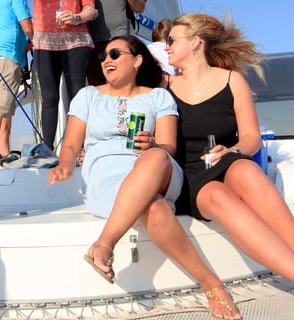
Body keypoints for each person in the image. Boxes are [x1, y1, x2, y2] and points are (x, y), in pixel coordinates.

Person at [163, 13, 294, 320]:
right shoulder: (164, 86)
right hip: (190, 176)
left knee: (246, 170)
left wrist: (232, 149)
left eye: (171, 40)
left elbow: (252, 137)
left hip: (225, 160)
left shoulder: (233, 81)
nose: (165, 47)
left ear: (195, 43)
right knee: (218, 196)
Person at [48, 34, 241, 320]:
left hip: (157, 167)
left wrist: (152, 145)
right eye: (102, 57)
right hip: (106, 177)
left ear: (137, 60)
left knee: (154, 157)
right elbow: (72, 144)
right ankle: (211, 284)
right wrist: (65, 165)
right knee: (154, 207)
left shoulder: (158, 96)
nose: (106, 61)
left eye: (115, 54)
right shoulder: (87, 96)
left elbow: (169, 146)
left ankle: (104, 243)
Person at [32, 0, 98, 149]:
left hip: (76, 40)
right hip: (45, 43)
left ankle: (78, 148)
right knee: (49, 99)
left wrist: (76, 18)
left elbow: (92, 11)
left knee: (76, 97)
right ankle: (46, 149)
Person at [0, 0, 33, 166]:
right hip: (7, 55)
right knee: (2, 103)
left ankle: (4, 151)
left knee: (7, 106)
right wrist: (41, 43)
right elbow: (27, 25)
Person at [86, 0, 146, 86]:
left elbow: (140, 7)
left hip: (120, 39)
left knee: (120, 84)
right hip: (90, 41)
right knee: (96, 89)